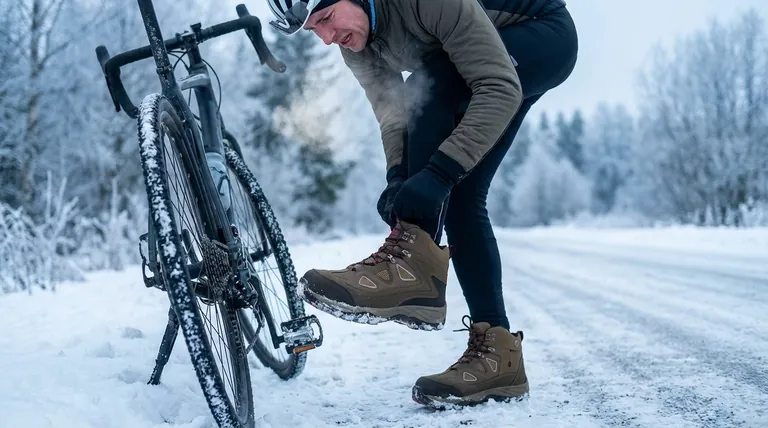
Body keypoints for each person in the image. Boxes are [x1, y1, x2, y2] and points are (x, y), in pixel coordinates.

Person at [267, 0, 578, 408]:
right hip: (476, 66)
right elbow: (395, 115)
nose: (327, 38)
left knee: (432, 85)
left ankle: (414, 268)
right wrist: (399, 178)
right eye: (314, 30)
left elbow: (499, 87)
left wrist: (436, 176)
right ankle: (498, 358)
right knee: (463, 195)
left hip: (544, 35)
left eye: (326, 19)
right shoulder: (354, 41)